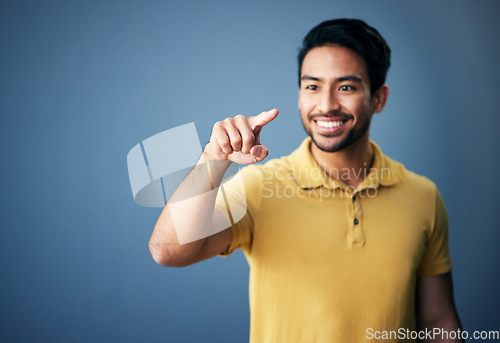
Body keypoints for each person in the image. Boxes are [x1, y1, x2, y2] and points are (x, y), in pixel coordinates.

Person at [149, 18, 463, 343]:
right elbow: (168, 252)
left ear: (378, 98)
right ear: (299, 95)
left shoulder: (423, 196)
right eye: (312, 86)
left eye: (346, 87)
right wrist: (212, 159)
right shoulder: (259, 188)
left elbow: (438, 320)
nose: (326, 105)